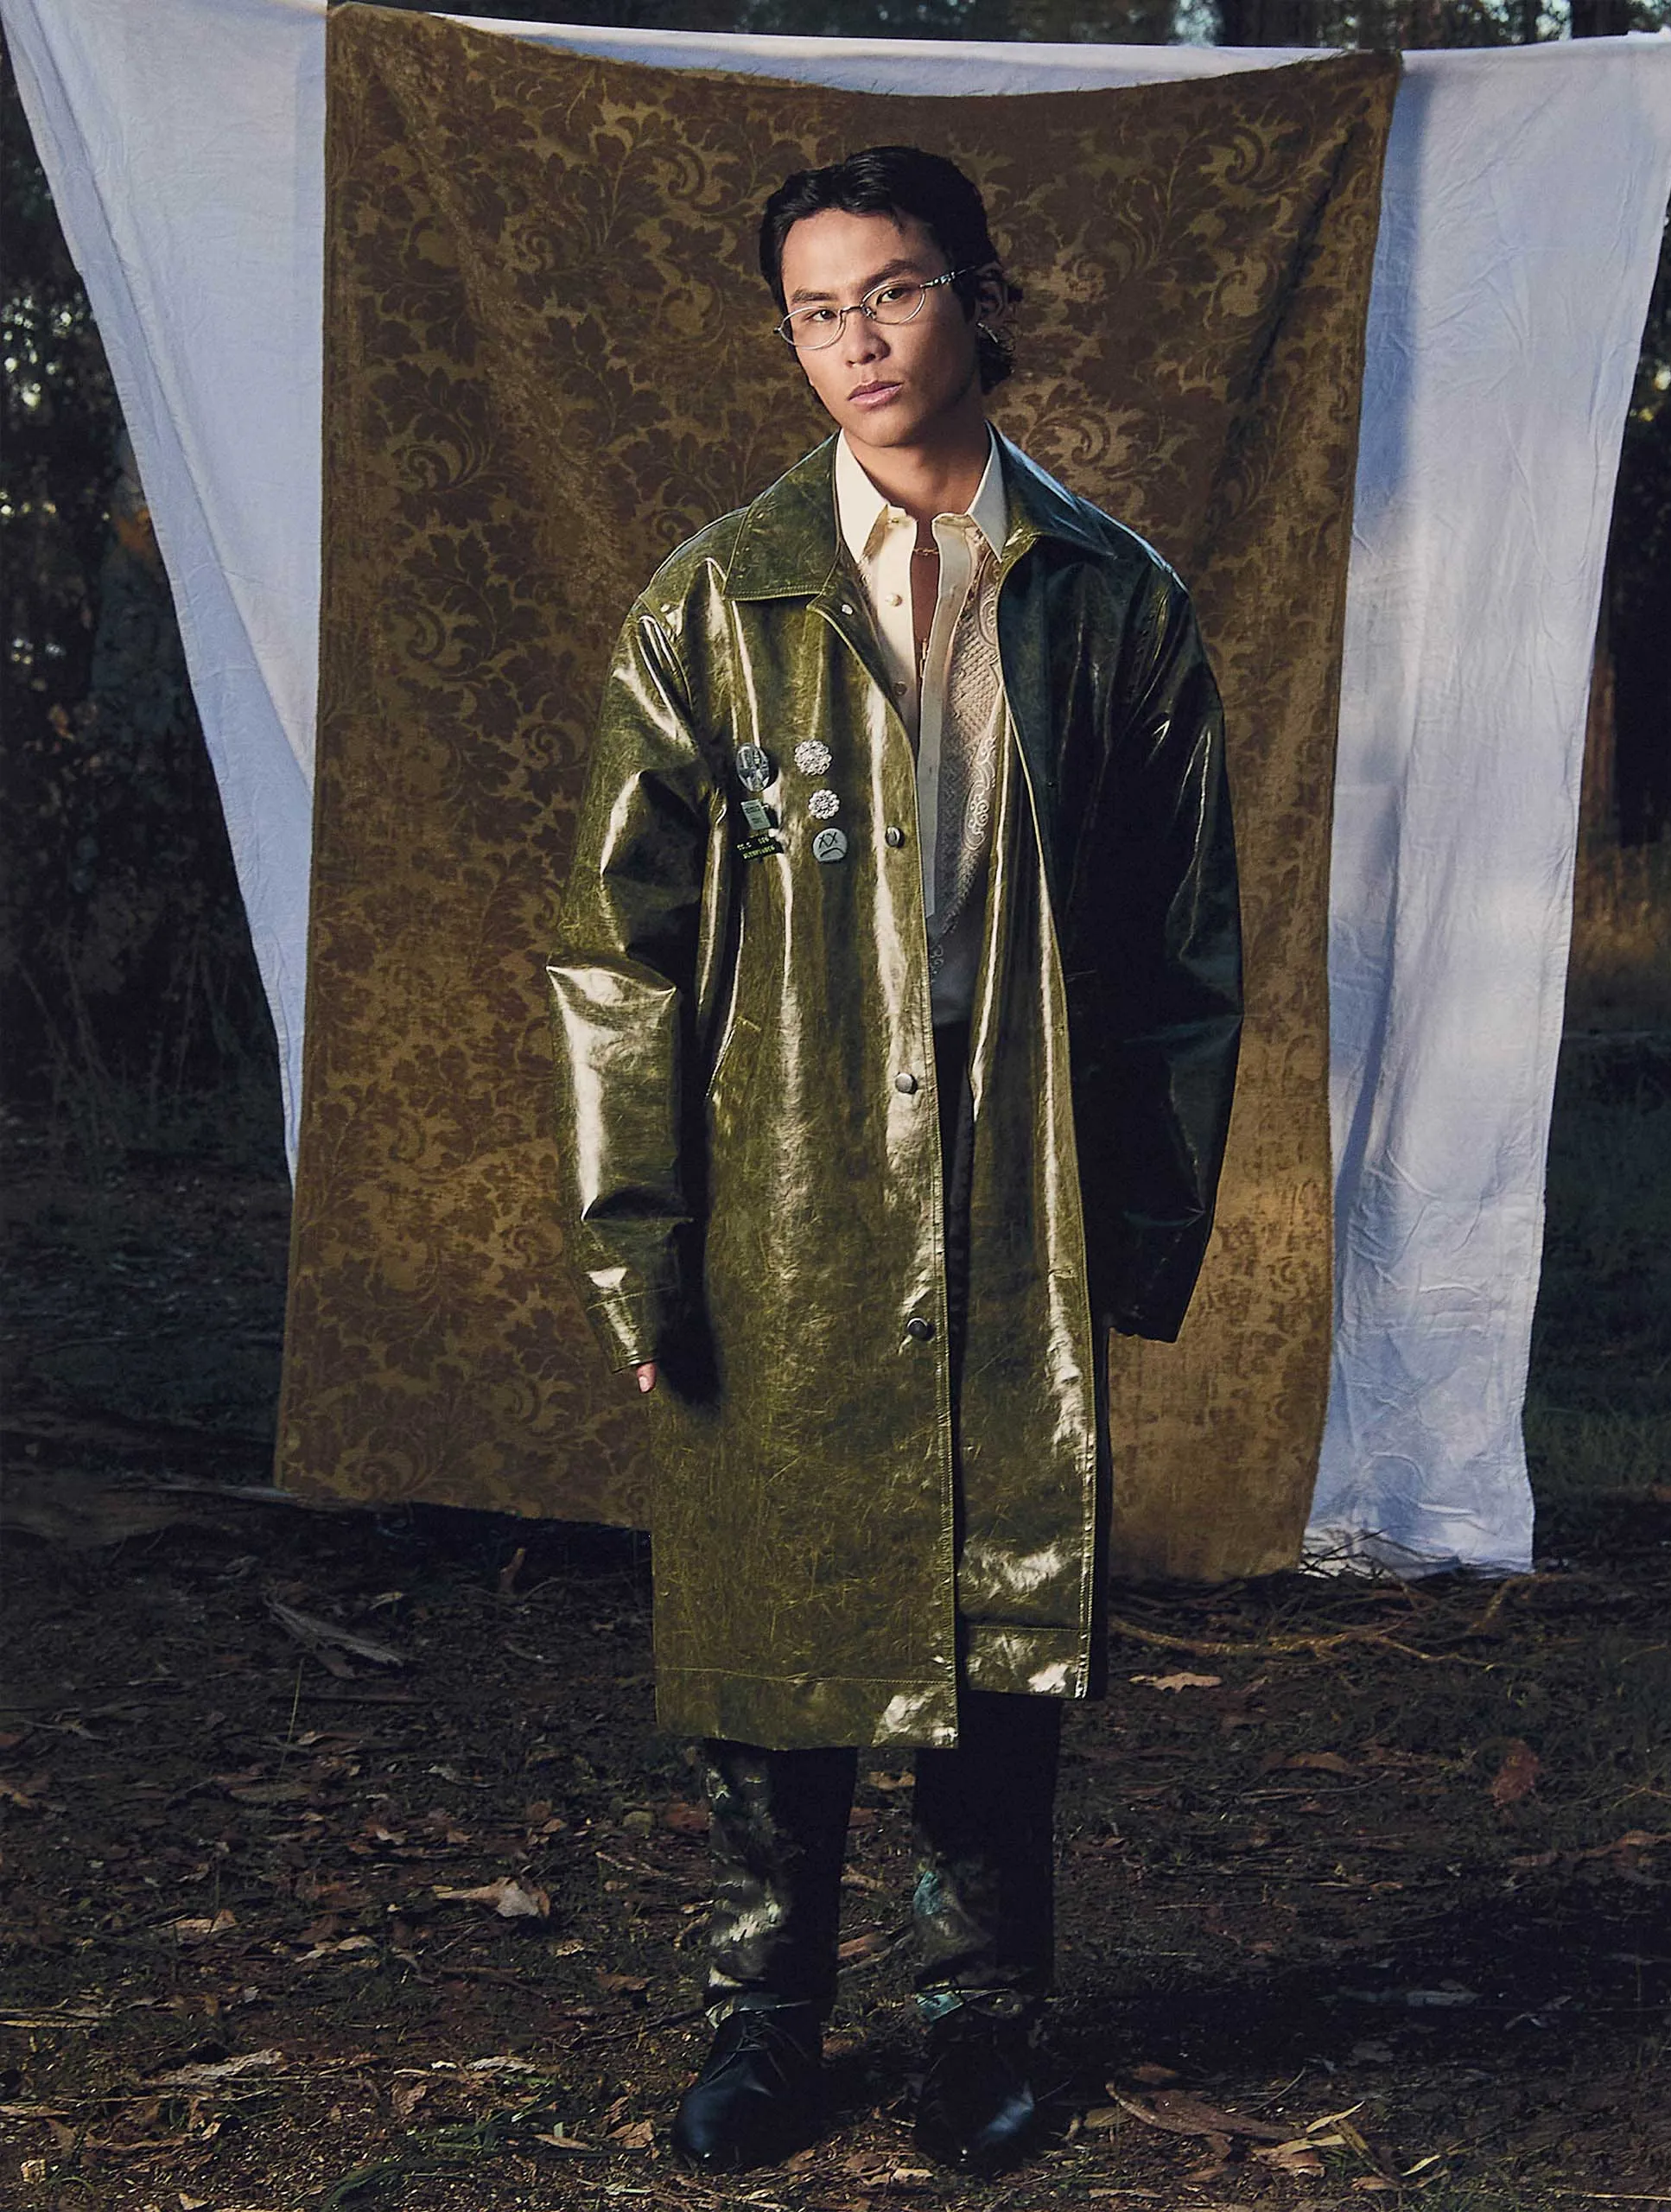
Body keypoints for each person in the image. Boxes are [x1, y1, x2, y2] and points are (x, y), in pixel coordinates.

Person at [547, 144, 1242, 2177]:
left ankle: (979, 2018)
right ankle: (762, 2020)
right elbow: (617, 953)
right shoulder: (715, 598)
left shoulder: (1109, 598)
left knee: (998, 1598)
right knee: (771, 1598)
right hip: (779, 1152)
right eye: (814, 309)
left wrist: (1140, 1224)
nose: (854, 340)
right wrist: (638, 1238)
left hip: (1017, 1149)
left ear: (977, 295)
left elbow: (1178, 947)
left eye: (894, 291)